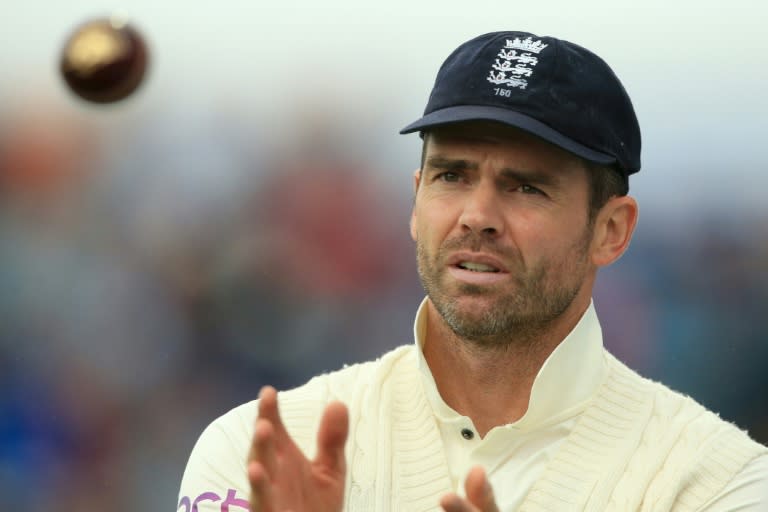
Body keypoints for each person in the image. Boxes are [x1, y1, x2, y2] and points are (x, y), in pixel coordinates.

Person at [177, 31, 768, 511]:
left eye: (527, 187)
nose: (478, 216)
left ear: (611, 230)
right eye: (452, 176)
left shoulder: (713, 483)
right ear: (416, 200)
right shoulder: (267, 452)